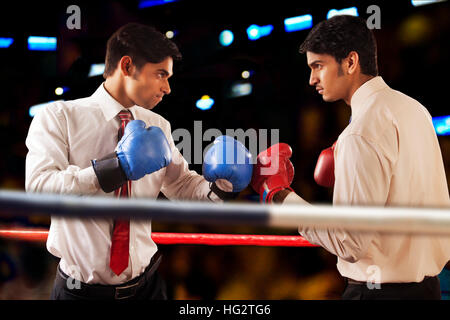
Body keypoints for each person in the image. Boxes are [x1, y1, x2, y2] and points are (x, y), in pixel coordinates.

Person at [25, 23, 253, 300]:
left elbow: (181, 186)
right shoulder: (59, 117)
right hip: (79, 292)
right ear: (128, 66)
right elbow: (39, 189)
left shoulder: (158, 125)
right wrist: (115, 168)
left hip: (148, 288)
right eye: (161, 75)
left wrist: (221, 187)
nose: (167, 88)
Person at [251, 15, 450, 300]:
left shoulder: (360, 133)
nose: (311, 79)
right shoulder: (415, 109)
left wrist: (280, 196)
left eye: (318, 66)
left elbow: (351, 242)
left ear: (350, 62)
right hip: (429, 289)